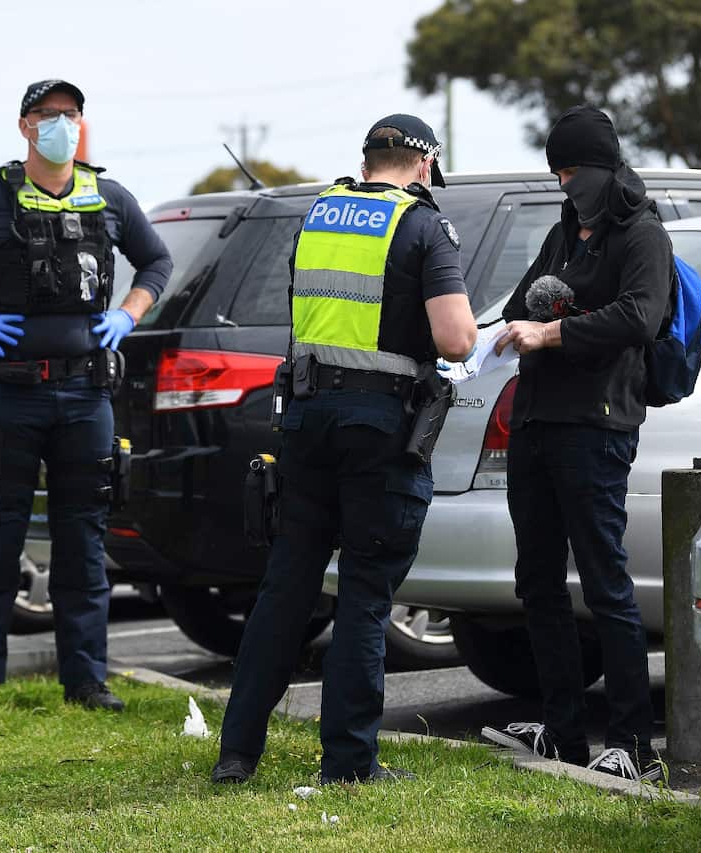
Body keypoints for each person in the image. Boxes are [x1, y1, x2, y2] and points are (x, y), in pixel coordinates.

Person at [210, 115, 477, 785]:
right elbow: (455, 339)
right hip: (379, 428)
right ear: (424, 164)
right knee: (364, 593)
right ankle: (350, 763)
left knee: (287, 585)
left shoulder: (319, 214)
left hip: (306, 418)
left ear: (368, 159)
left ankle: (237, 753)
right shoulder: (423, 225)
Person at [0, 79, 171, 714]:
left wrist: (129, 313)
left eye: (72, 115)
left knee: (83, 536)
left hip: (86, 392)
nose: (63, 126)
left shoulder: (109, 197)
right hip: (12, 394)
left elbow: (156, 264)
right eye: (50, 116)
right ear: (25, 126)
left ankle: (86, 679)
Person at [481, 105, 672, 782]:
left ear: (602, 167)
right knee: (536, 581)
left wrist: (552, 330)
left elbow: (641, 315)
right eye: (557, 170)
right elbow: (516, 307)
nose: (565, 182)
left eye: (572, 169)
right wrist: (506, 328)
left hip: (596, 427)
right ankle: (561, 730)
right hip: (535, 422)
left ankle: (631, 743)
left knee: (604, 582)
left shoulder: (641, 233)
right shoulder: (565, 231)